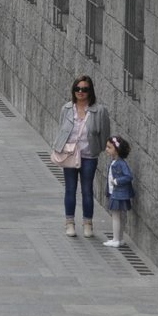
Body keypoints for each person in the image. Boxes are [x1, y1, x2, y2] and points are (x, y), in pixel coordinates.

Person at [51, 75, 112, 238]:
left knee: (87, 189)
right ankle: (69, 223)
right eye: (77, 89)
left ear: (90, 91)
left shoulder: (99, 111)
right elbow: (61, 130)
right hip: (70, 155)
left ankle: (87, 223)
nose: (80, 92)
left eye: (84, 89)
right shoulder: (67, 109)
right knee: (70, 189)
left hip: (88, 156)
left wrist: (99, 150)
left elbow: (105, 133)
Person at [102, 136, 135, 248]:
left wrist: (116, 181)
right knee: (118, 216)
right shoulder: (114, 162)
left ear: (116, 150)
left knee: (116, 216)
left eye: (109, 147)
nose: (107, 149)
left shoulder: (121, 163)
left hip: (119, 193)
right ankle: (119, 239)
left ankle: (116, 239)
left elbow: (128, 176)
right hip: (115, 192)